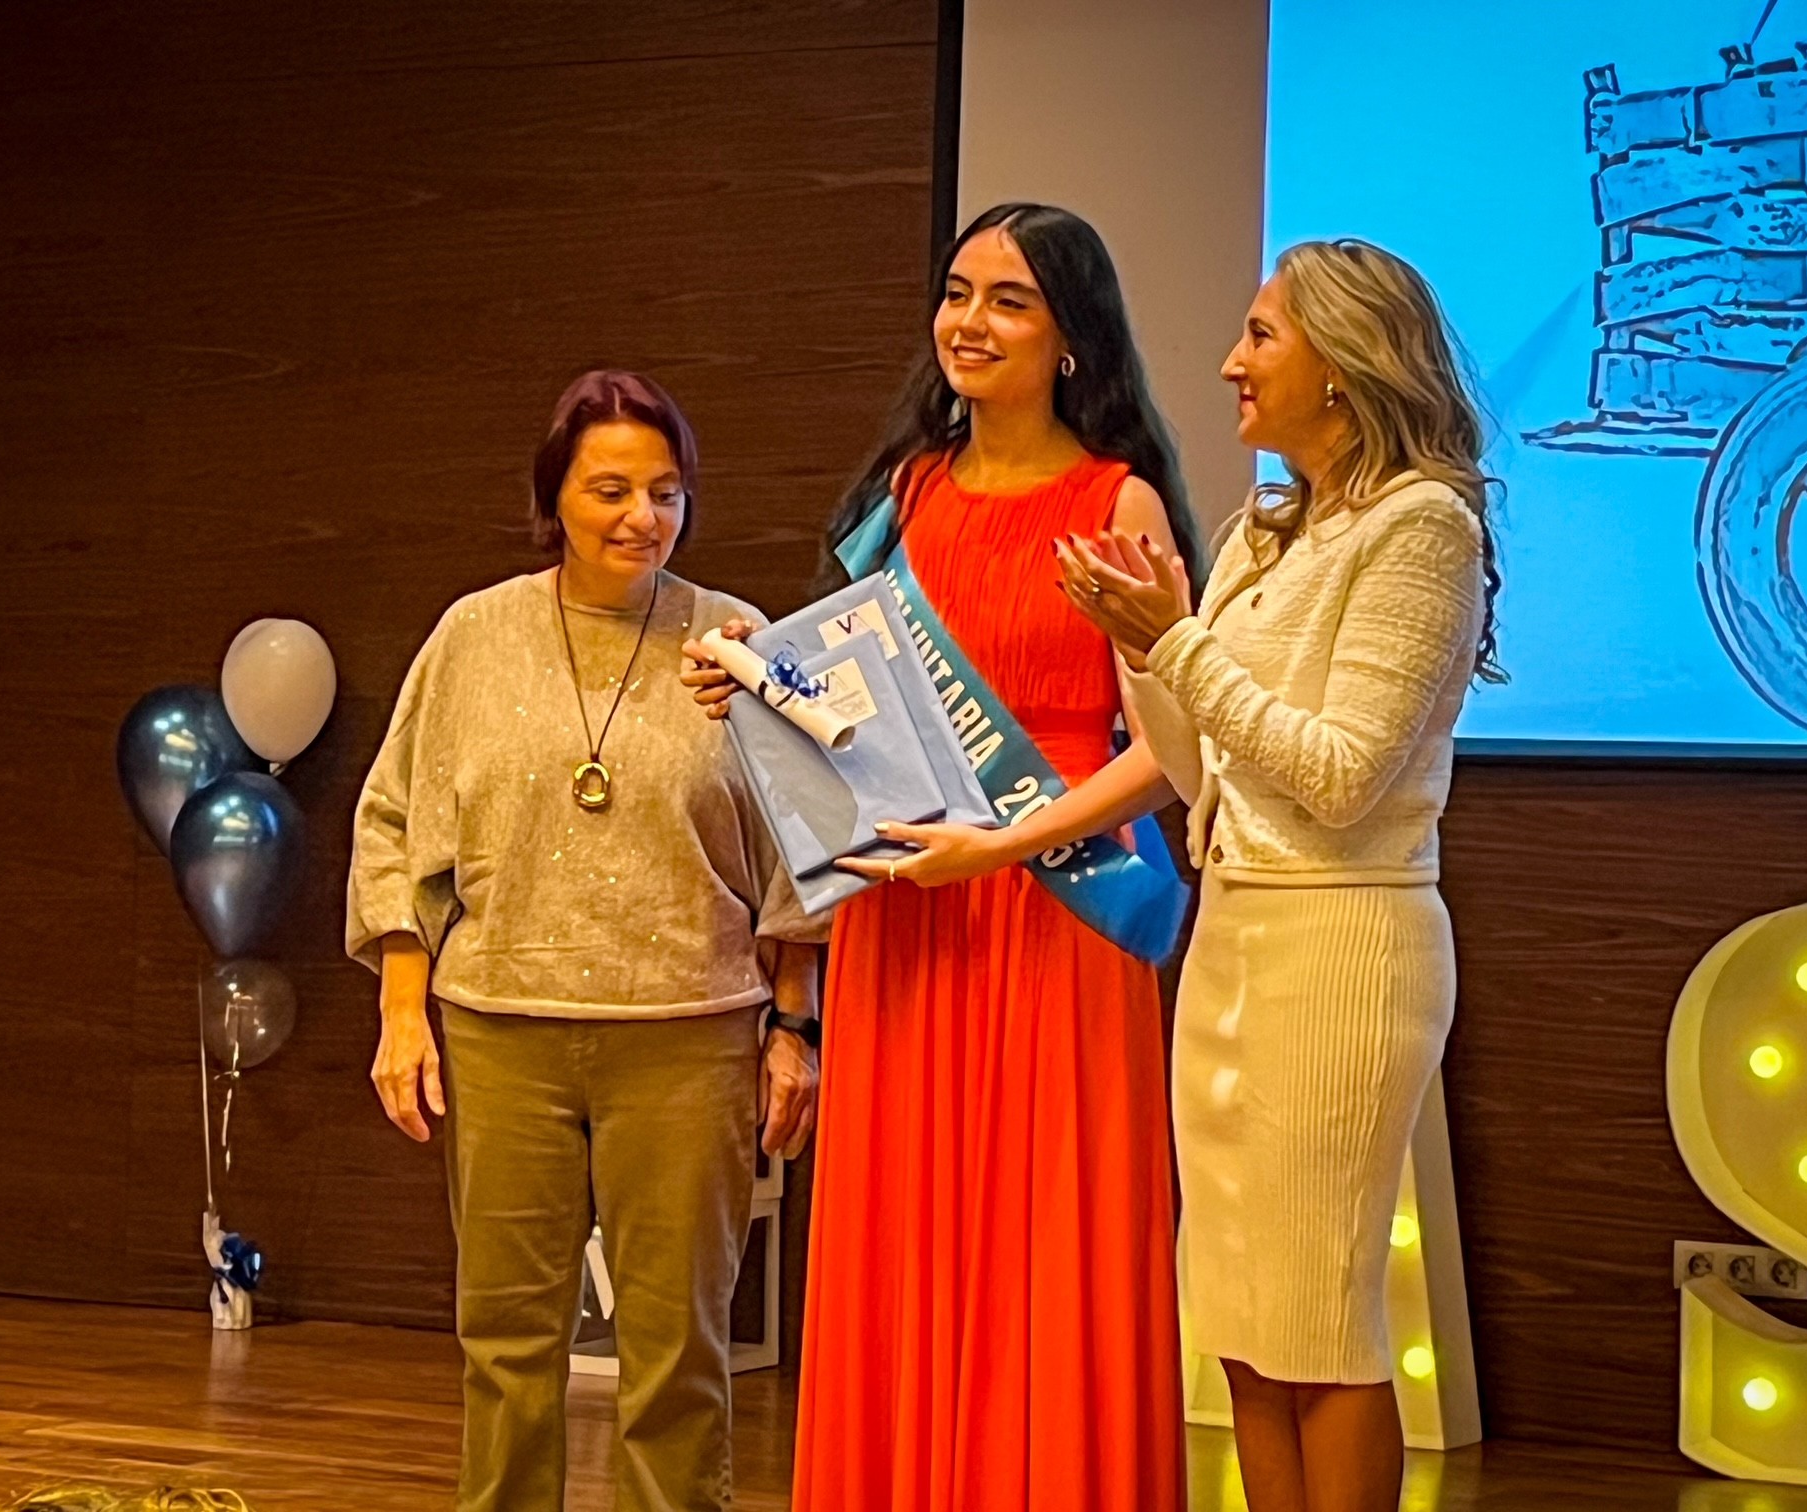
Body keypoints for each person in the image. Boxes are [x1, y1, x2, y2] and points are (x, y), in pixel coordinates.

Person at [687, 203, 1204, 1512]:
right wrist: (756, 687)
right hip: (908, 906)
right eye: (958, 292)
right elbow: (855, 714)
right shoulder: (900, 497)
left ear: (1073, 339)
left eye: (1009, 301)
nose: (969, 322)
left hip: (1055, 908)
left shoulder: (1118, 503)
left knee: (1046, 1232)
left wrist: (1009, 842)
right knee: (906, 1229)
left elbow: (1173, 750)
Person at [1057, 238, 1502, 1512]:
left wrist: (1178, 643)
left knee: (1319, 1319)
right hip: (1234, 932)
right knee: (1243, 1323)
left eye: (1261, 335)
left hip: (1342, 944)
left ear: (1346, 366)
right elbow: (1198, 763)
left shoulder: (1422, 527)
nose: (1229, 363)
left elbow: (1342, 775)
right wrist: (1138, 644)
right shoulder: (1266, 528)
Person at [347, 369, 826, 1512]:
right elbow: (395, 822)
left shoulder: (736, 642)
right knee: (505, 1351)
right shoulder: (474, 636)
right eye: (611, 490)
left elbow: (802, 846)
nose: (641, 517)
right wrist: (402, 1010)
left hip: (690, 1037)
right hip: (502, 1033)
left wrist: (794, 1029)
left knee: (681, 1359)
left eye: (666, 492)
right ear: (553, 496)